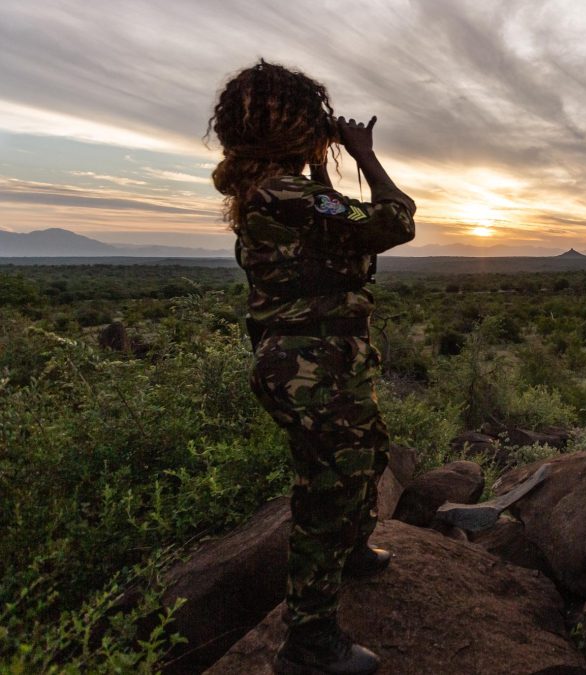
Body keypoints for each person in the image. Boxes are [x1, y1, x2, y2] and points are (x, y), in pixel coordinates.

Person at [209, 60, 416, 674]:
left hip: (311, 364)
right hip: (315, 368)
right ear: (290, 127)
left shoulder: (271, 193)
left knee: (367, 454)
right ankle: (309, 642)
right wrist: (365, 155)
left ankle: (351, 551)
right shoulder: (289, 194)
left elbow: (332, 225)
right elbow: (393, 220)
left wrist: (325, 165)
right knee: (326, 495)